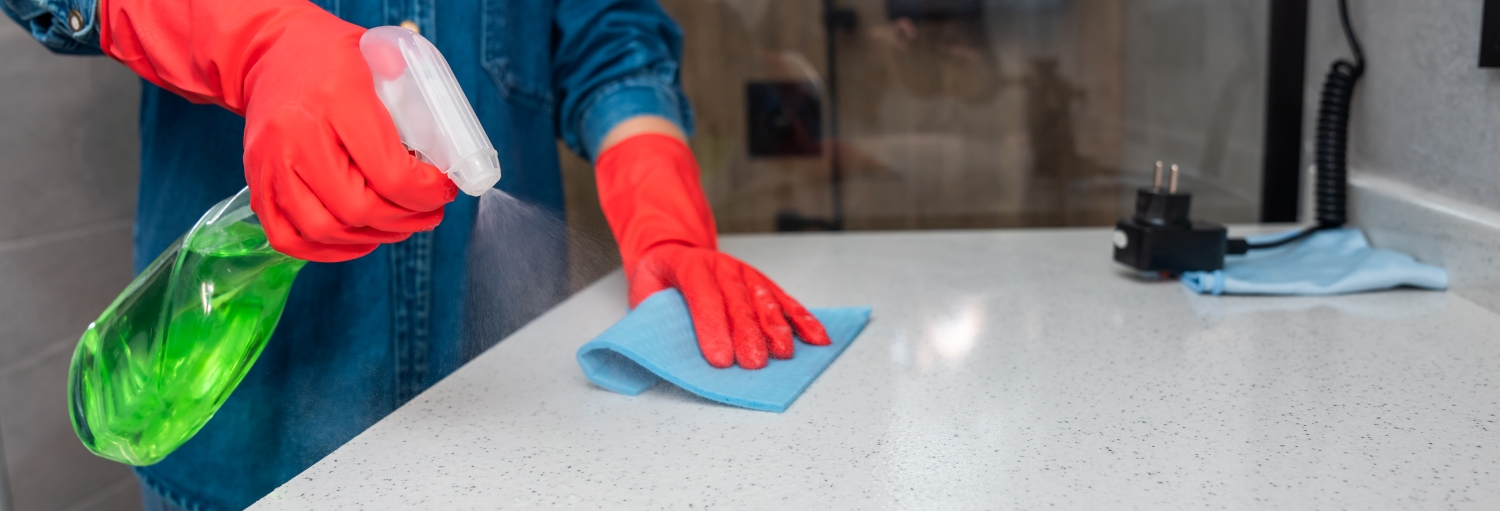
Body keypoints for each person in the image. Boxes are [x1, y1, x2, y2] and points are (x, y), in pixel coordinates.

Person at [2, 0, 830, 509]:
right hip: (244, 443)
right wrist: (255, 38)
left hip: (505, 429)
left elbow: (611, 37)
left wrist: (665, 218)